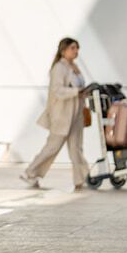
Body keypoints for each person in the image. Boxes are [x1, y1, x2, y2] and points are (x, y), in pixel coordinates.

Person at [21, 37, 88, 191]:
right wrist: (77, 91)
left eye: (77, 48)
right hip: (62, 115)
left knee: (76, 148)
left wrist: (84, 93)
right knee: (52, 147)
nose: (76, 51)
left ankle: (81, 179)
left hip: (76, 115)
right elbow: (57, 91)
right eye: (73, 48)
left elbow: (78, 87)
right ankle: (30, 173)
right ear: (63, 50)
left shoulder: (75, 67)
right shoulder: (59, 68)